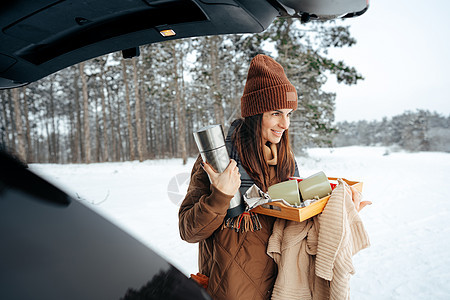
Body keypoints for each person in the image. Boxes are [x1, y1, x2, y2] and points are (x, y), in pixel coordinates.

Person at [178, 54, 370, 300]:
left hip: (282, 289)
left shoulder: (286, 161)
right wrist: (220, 197)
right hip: (230, 292)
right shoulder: (218, 160)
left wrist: (339, 212)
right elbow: (188, 231)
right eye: (276, 113)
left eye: (289, 114)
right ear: (256, 113)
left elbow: (299, 224)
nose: (285, 124)